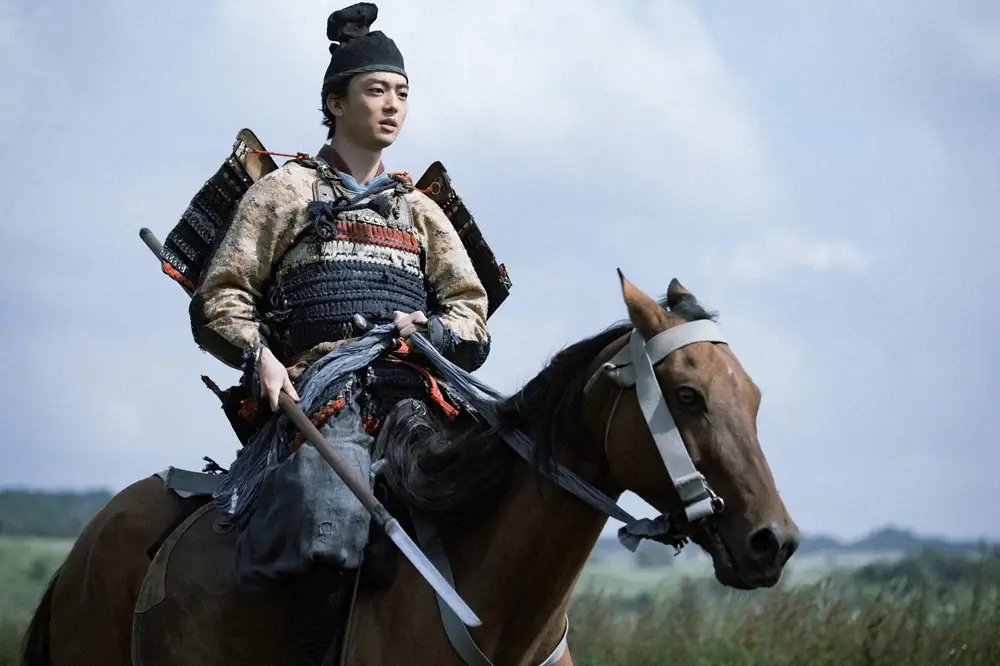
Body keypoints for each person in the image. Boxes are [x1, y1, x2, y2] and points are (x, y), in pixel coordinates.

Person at [188, 3, 491, 663]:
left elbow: (471, 310)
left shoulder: (420, 210)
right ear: (336, 102)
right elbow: (221, 297)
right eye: (377, 90)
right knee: (335, 497)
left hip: (416, 391)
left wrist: (433, 328)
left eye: (402, 93)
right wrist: (260, 356)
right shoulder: (282, 193)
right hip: (320, 393)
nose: (393, 105)